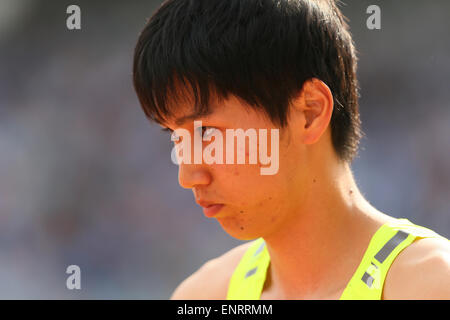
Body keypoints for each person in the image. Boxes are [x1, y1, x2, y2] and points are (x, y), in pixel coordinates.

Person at [132, 0, 450, 299]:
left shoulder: (432, 284)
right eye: (176, 137)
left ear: (309, 112)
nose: (188, 176)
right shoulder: (203, 294)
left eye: (206, 133)